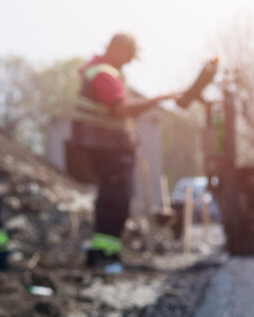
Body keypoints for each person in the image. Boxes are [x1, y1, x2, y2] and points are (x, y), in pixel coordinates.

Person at [69, 34, 181, 272]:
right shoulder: (104, 74)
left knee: (113, 200)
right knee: (114, 202)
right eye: (129, 55)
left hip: (109, 150)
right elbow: (122, 109)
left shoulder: (99, 71)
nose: (130, 61)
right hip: (109, 151)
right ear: (117, 49)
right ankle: (105, 257)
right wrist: (159, 98)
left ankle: (104, 254)